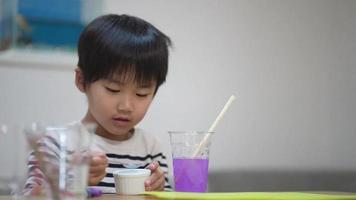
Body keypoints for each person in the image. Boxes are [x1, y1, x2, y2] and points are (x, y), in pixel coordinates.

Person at [24, 14, 172, 194]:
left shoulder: (150, 148)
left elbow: (166, 194)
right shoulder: (54, 145)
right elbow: (32, 196)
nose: (126, 106)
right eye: (113, 89)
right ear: (81, 80)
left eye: (141, 93)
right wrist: (73, 179)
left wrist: (160, 190)